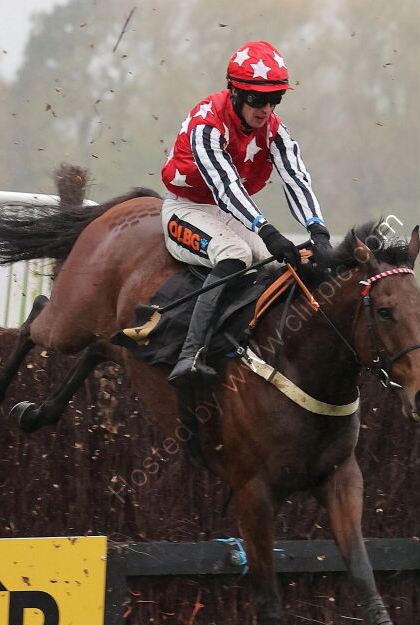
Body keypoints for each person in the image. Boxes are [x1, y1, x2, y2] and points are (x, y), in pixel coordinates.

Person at [161, 40, 331, 388]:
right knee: (236, 253)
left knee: (283, 264)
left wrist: (318, 230)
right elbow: (226, 188)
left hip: (230, 214)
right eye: (257, 98)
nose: (266, 108)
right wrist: (267, 230)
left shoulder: (276, 130)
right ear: (234, 92)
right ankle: (190, 355)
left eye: (275, 99)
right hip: (187, 208)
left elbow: (295, 178)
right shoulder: (206, 124)